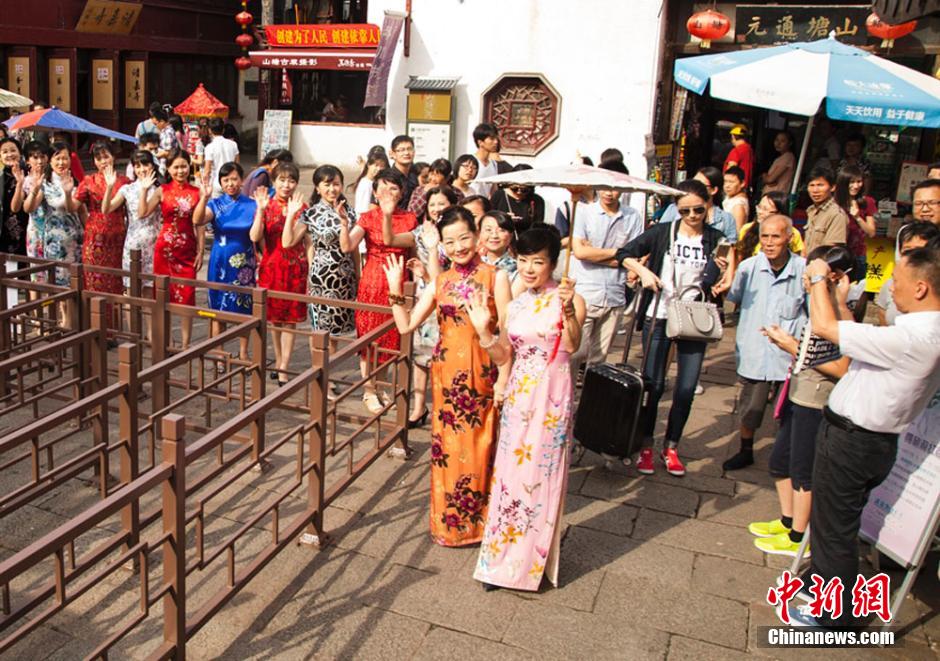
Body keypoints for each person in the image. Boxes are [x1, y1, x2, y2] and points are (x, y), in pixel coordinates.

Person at [785, 243, 940, 628]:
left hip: (854, 442)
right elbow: (848, 333)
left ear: (921, 287)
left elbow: (824, 329)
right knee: (838, 523)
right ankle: (830, 589)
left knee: (835, 529)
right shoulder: (918, 332)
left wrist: (819, 276)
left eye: (897, 278)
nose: (890, 285)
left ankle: (838, 619)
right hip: (867, 442)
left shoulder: (912, 339)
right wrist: (835, 296)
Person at [382, 206, 510, 547]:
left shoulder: (496, 276)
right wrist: (396, 288)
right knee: (449, 450)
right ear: (442, 246)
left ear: (477, 236)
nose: (458, 247)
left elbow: (509, 335)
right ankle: (450, 527)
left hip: (483, 372)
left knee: (483, 447)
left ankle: (483, 525)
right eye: (449, 241)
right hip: (447, 376)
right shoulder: (441, 282)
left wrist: (502, 380)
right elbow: (406, 325)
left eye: (464, 238)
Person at [468, 225, 585, 591]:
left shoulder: (569, 299)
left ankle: (530, 564)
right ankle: (498, 563)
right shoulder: (516, 303)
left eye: (538, 261)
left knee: (541, 477)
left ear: (553, 263)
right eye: (523, 261)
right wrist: (484, 332)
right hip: (520, 393)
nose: (530, 269)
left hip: (551, 395)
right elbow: (504, 353)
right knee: (509, 476)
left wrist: (567, 309)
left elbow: (572, 345)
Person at [616, 179, 727, 476]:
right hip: (660, 313)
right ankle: (647, 445)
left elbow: (725, 273)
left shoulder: (716, 239)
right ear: (676, 210)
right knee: (654, 383)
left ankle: (672, 445)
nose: (691, 216)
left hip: (695, 316)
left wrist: (723, 276)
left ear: (708, 207)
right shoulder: (663, 233)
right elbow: (624, 253)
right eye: (685, 210)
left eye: (698, 210)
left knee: (687, 387)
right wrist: (643, 271)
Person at [749, 246, 852, 557]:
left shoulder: (840, 314)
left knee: (803, 471)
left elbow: (841, 368)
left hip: (815, 402)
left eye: (811, 274)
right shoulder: (821, 307)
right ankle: (788, 519)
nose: (805, 280)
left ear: (831, 276)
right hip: (797, 394)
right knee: (781, 462)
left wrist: (793, 346)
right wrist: (789, 344)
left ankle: (798, 538)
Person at [722, 214, 807, 471]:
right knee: (751, 406)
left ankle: (785, 453)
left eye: (776, 237)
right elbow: (733, 296)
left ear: (789, 239)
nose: (769, 243)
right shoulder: (749, 267)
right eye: (764, 237)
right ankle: (745, 449)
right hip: (755, 348)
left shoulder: (803, 269)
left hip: (788, 352)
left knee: (790, 408)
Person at [379, 185, 459, 426]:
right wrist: (387, 214)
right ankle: (417, 408)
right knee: (420, 355)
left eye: (441, 204)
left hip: (448, 298)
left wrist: (430, 265)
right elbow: (389, 239)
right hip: (424, 297)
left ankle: (444, 407)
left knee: (445, 358)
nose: (436, 209)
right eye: (432, 204)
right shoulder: (420, 232)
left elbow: (443, 280)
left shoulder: (456, 237)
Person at [346, 168, 417, 413]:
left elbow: (406, 248)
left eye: (393, 188)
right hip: (373, 281)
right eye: (383, 188)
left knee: (391, 338)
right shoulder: (366, 217)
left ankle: (382, 384)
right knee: (370, 340)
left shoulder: (410, 218)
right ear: (374, 191)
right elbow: (348, 245)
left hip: (398, 281)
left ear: (402, 192)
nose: (387, 193)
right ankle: (368, 389)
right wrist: (343, 225)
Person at [570, 161, 645, 371]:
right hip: (585, 292)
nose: (609, 193)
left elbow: (635, 256)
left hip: (614, 294)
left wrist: (598, 254)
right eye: (604, 186)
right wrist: (620, 254)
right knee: (576, 352)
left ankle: (591, 401)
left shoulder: (632, 216)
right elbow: (581, 252)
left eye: (614, 187)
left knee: (599, 359)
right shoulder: (585, 212)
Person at [285, 165, 359, 340]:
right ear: (317, 188)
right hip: (320, 280)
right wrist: (290, 216)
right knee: (319, 332)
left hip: (346, 280)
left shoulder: (350, 213)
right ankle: (320, 367)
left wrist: (359, 275)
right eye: (326, 184)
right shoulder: (310, 214)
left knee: (339, 334)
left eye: (336, 184)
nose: (332, 189)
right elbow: (288, 242)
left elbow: (354, 249)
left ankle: (329, 366)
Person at [139, 148, 204, 347]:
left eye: (184, 166)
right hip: (164, 251)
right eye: (176, 167)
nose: (180, 171)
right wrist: (143, 189)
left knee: (187, 297)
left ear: (189, 167)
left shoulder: (197, 191)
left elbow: (199, 223)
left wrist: (201, 250)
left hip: (187, 250)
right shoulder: (162, 190)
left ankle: (185, 343)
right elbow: (142, 213)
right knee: (163, 295)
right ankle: (166, 340)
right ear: (168, 168)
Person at [251, 162, 308, 385]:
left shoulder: (302, 208)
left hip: (294, 267)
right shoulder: (266, 204)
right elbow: (255, 237)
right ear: (274, 182)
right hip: (271, 267)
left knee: (290, 320)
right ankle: (279, 360)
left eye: (291, 180)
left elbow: (292, 241)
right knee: (275, 320)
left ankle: (284, 366)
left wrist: (292, 214)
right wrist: (261, 211)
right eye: (282, 180)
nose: (287, 184)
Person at [194, 162, 257, 314]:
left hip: (245, 263)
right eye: (226, 180)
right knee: (217, 309)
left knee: (245, 310)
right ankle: (217, 337)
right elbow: (198, 220)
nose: (230, 184)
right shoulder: (215, 204)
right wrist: (204, 198)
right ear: (221, 183)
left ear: (242, 180)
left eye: (234, 179)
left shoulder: (253, 204)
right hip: (220, 260)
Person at [102, 150, 161, 300]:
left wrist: (146, 189)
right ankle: (133, 324)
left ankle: (150, 325)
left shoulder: (159, 190)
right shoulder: (127, 189)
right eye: (137, 166)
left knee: (149, 291)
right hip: (133, 244)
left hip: (153, 244)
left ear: (153, 166)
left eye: (145, 165)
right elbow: (106, 209)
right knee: (131, 291)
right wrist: (109, 187)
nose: (142, 169)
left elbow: (144, 213)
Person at [75, 141, 130, 297]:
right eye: (98, 158)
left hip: (117, 237)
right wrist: (66, 193)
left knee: (116, 281)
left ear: (113, 157)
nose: (103, 161)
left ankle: (115, 320)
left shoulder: (125, 181)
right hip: (94, 237)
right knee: (94, 280)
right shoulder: (88, 181)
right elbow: (74, 205)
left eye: (106, 157)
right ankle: (94, 320)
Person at [27, 142, 82, 288]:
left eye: (65, 158)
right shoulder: (44, 184)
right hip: (54, 243)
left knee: (75, 284)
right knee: (57, 286)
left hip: (74, 240)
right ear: (50, 161)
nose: (61, 162)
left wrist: (68, 192)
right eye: (57, 158)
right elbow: (29, 208)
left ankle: (72, 312)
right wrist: (34, 190)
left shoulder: (75, 183)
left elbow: (73, 209)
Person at [873, 221, 939, 326]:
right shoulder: (891, 284)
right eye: (907, 251)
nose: (911, 257)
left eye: (919, 251)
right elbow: (883, 318)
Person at [659, 166, 737, 245]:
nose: (692, 215)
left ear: (714, 190)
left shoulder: (726, 219)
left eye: (700, 185)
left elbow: (730, 247)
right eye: (685, 211)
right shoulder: (673, 209)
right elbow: (660, 235)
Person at [834, 165, 876, 280]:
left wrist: (858, 217)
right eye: (851, 182)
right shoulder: (834, 203)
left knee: (856, 291)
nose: (856, 186)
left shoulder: (867, 202)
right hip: (837, 253)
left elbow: (871, 233)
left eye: (859, 182)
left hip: (858, 254)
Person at [737, 191, 804, 259]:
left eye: (765, 209)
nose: (760, 212)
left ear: (779, 213)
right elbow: (739, 257)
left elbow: (797, 259)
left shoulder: (793, 233)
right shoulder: (747, 229)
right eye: (759, 207)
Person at [20, 141, 49, 289]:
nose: (39, 161)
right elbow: (28, 207)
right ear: (28, 161)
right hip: (36, 232)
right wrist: (38, 189)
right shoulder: (26, 181)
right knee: (36, 275)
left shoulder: (52, 178)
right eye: (35, 157)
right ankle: (36, 311)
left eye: (42, 156)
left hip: (53, 232)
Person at [803, 166, 846, 256]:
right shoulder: (811, 210)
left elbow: (831, 250)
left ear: (832, 187)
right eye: (812, 185)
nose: (815, 190)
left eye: (820, 185)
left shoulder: (836, 214)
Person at [490, 164, 545, 231]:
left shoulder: (537, 200)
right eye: (515, 189)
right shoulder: (499, 195)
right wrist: (504, 218)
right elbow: (489, 218)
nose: (519, 192)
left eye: (524, 190)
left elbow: (538, 226)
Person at [0, 138, 28, 260]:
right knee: (9, 268)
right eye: (5, 152)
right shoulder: (1, 176)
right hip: (5, 228)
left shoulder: (28, 174)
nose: (9, 154)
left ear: (20, 153)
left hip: (27, 224)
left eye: (13, 150)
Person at [203, 118, 240, 198]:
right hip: (232, 182)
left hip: (217, 182)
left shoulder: (209, 147)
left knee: (218, 208)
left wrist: (205, 184)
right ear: (223, 130)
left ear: (210, 130)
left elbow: (207, 170)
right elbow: (237, 164)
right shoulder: (233, 144)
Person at [478, 210, 518, 281]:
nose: (494, 235)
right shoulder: (475, 263)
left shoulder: (517, 268)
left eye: (501, 230)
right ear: (479, 233)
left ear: (511, 235)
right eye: (488, 230)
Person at [352, 149, 389, 215]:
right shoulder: (366, 184)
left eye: (382, 166)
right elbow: (363, 210)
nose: (379, 169)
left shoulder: (372, 181)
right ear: (369, 165)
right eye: (376, 165)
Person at [469, 123, 500, 198]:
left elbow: (493, 189)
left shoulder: (494, 164)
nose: (496, 142)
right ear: (480, 142)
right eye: (492, 139)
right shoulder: (470, 162)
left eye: (496, 138)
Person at [389, 135, 419, 211]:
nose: (406, 153)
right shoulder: (388, 178)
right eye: (401, 150)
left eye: (409, 149)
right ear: (393, 154)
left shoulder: (415, 176)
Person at [761, 130, 796, 195]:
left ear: (790, 143)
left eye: (782, 141)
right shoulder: (780, 157)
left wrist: (764, 176)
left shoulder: (787, 157)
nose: (778, 143)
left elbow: (770, 179)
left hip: (776, 196)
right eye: (777, 140)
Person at [724, 124, 754, 189]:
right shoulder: (750, 150)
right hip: (744, 186)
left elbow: (731, 169)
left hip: (734, 187)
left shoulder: (736, 150)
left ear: (733, 136)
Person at [722, 165, 749, 233]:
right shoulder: (730, 197)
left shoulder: (738, 204)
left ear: (742, 183)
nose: (727, 185)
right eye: (725, 181)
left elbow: (737, 231)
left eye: (731, 182)